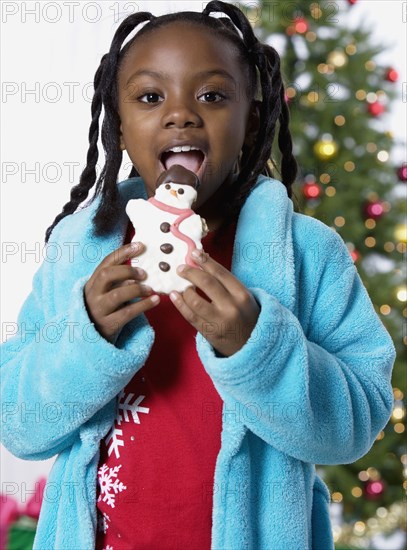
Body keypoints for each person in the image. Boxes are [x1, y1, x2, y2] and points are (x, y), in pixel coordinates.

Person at [1, 2, 396, 549]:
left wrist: (258, 347)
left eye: (211, 96)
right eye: (149, 97)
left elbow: (356, 423)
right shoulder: (79, 250)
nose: (180, 115)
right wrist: (83, 334)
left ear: (251, 120)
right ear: (118, 125)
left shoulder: (307, 252)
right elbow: (18, 424)